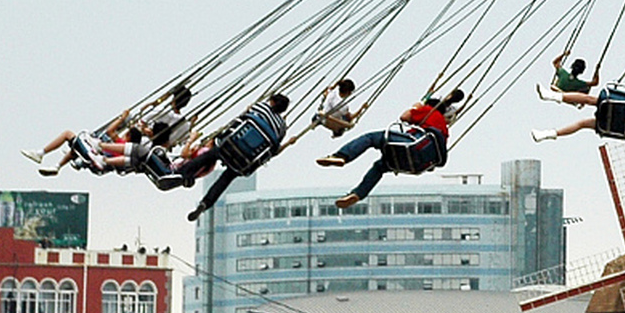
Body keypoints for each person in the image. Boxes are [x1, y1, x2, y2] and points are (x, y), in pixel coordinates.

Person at [319, 89, 466, 207]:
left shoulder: (428, 110)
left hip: (412, 145)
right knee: (380, 167)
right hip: (420, 162)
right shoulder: (443, 128)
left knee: (371, 138)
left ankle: (342, 156)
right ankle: (357, 194)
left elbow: (404, 117)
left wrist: (416, 107)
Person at [178, 94, 292, 220]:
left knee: (210, 155)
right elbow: (274, 151)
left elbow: (240, 119)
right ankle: (206, 203)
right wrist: (288, 143)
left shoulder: (261, 107)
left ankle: (184, 174)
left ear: (272, 102)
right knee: (226, 178)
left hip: (231, 144)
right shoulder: (282, 128)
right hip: (246, 160)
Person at [532, 64, 625, 140]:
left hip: (620, 108)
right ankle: (548, 134)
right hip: (620, 125)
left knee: (589, 99)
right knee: (582, 124)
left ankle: (552, 96)